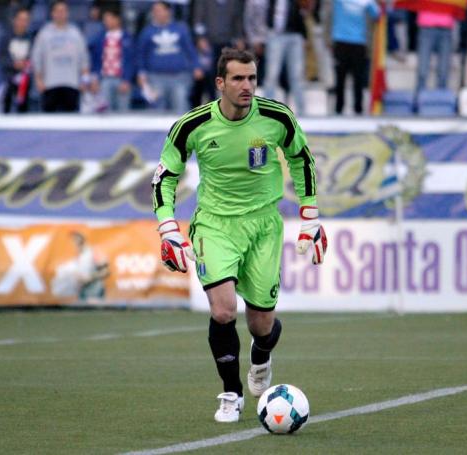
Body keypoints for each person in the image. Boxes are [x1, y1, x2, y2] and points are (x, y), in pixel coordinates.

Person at [151, 47, 327, 423]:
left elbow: (302, 159)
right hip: (214, 225)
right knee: (223, 310)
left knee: (261, 325)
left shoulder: (277, 117)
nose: (247, 86)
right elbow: (164, 177)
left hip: (263, 226)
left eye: (252, 78)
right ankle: (231, 394)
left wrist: (310, 217)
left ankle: (261, 354)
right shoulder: (193, 125)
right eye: (238, 79)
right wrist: (168, 228)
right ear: (220, 83)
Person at [136, 1, 201, 113]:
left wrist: (197, 66)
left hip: (179, 77)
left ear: (168, 11)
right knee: (156, 111)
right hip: (156, 77)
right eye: (154, 11)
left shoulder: (181, 28)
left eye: (159, 10)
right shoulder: (147, 32)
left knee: (181, 109)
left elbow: (190, 49)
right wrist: (141, 73)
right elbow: (140, 55)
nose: (156, 13)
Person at [31, 0, 92, 112]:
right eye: (58, 11)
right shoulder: (44, 33)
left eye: (63, 11)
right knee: (49, 120)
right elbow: (37, 58)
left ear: (67, 13)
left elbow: (84, 59)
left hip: (72, 84)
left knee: (71, 120)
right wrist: (38, 80)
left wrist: (85, 81)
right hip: (50, 84)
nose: (60, 14)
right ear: (52, 13)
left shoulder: (76, 33)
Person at [327, 0, 380, 114]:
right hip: (343, 41)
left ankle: (357, 110)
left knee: (357, 79)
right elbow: (377, 14)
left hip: (357, 43)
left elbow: (377, 14)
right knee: (341, 79)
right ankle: (339, 110)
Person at [262, 0, 309, 115]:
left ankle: (302, 111)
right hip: (276, 35)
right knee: (272, 74)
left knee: (297, 75)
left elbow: (304, 12)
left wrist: (305, 36)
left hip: (295, 35)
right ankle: (266, 111)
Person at [91, 7, 135, 112]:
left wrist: (127, 79)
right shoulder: (99, 38)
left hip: (122, 79)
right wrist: (95, 79)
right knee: (104, 113)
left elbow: (132, 61)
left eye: (109, 19)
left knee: (123, 112)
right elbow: (95, 60)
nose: (106, 22)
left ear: (117, 19)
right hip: (104, 79)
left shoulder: (127, 37)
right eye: (105, 19)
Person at [0, 7, 33, 113]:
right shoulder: (6, 38)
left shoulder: (31, 39)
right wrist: (13, 64)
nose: (23, 23)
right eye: (20, 19)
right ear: (15, 20)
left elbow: (34, 57)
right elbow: (1, 57)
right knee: (7, 91)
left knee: (24, 91)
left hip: (25, 77)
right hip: (8, 76)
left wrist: (25, 64)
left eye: (26, 20)